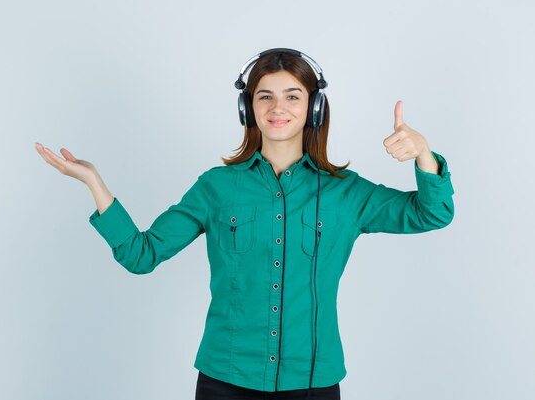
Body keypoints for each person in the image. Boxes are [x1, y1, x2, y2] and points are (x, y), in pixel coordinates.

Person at [35, 49, 455, 400]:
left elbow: (431, 213)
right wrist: (94, 183)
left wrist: (423, 154)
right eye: (264, 96)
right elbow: (140, 255)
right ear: (247, 107)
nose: (277, 108)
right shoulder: (216, 188)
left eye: (293, 96)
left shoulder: (347, 193)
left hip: (312, 383)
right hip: (225, 382)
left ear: (314, 106)